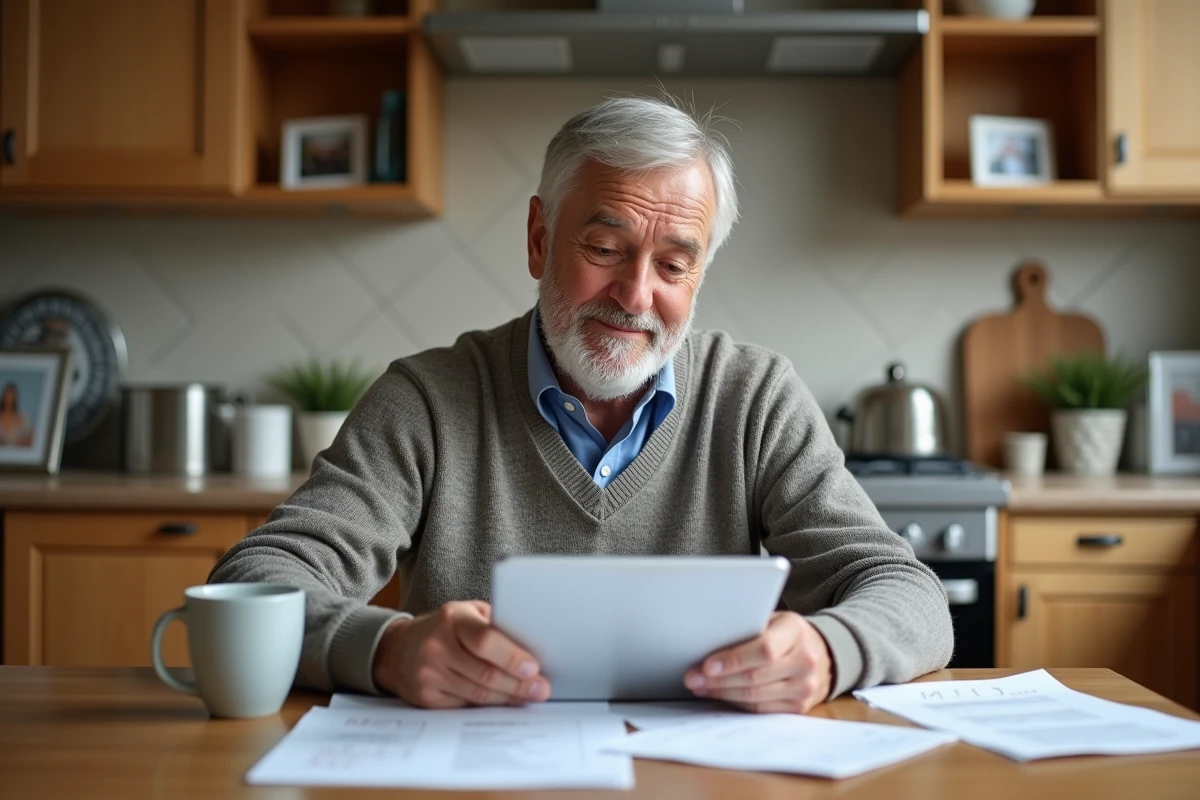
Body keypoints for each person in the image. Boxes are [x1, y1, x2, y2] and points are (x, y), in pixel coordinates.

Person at [210, 95, 953, 714]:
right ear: (540, 239)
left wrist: (828, 651)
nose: (635, 297)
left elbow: (910, 595)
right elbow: (253, 583)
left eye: (672, 264)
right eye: (604, 248)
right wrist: (387, 650)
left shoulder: (754, 397)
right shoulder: (428, 399)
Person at [0, 383, 35, 447]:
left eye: (12, 396)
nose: (9, 399)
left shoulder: (23, 417)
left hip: (18, 455)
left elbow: (31, 438)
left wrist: (20, 443)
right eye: (7, 396)